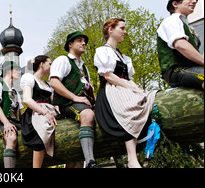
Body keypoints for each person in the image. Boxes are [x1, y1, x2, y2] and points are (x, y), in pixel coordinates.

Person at [94, 18, 158, 168]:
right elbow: (108, 76)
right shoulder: (102, 51)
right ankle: (131, 158)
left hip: (125, 88)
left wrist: (136, 88)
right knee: (128, 109)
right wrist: (131, 88)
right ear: (111, 29)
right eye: (122, 28)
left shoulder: (124, 57)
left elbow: (130, 78)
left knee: (147, 98)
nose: (125, 31)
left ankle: (142, 152)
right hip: (111, 90)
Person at [50, 31, 98, 168]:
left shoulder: (84, 67)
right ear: (70, 44)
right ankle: (91, 162)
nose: (83, 43)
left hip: (83, 103)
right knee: (88, 115)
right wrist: (75, 97)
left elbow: (89, 90)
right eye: (79, 40)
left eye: (84, 41)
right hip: (67, 103)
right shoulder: (63, 60)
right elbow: (54, 82)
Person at [157, 0, 203, 90]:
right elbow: (180, 45)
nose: (194, 1)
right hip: (176, 70)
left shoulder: (189, 27)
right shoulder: (172, 20)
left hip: (191, 68)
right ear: (175, 4)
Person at [21, 55, 58, 168]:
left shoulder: (48, 85)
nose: (52, 66)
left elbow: (54, 103)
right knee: (41, 133)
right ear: (41, 64)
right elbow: (27, 99)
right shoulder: (29, 78)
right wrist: (45, 113)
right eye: (50, 64)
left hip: (49, 111)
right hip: (35, 112)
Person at [0, 61, 24, 168]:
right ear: (9, 71)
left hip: (16, 122)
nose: (19, 72)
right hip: (1, 121)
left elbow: (21, 113)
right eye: (17, 70)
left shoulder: (15, 92)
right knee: (11, 138)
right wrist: (6, 123)